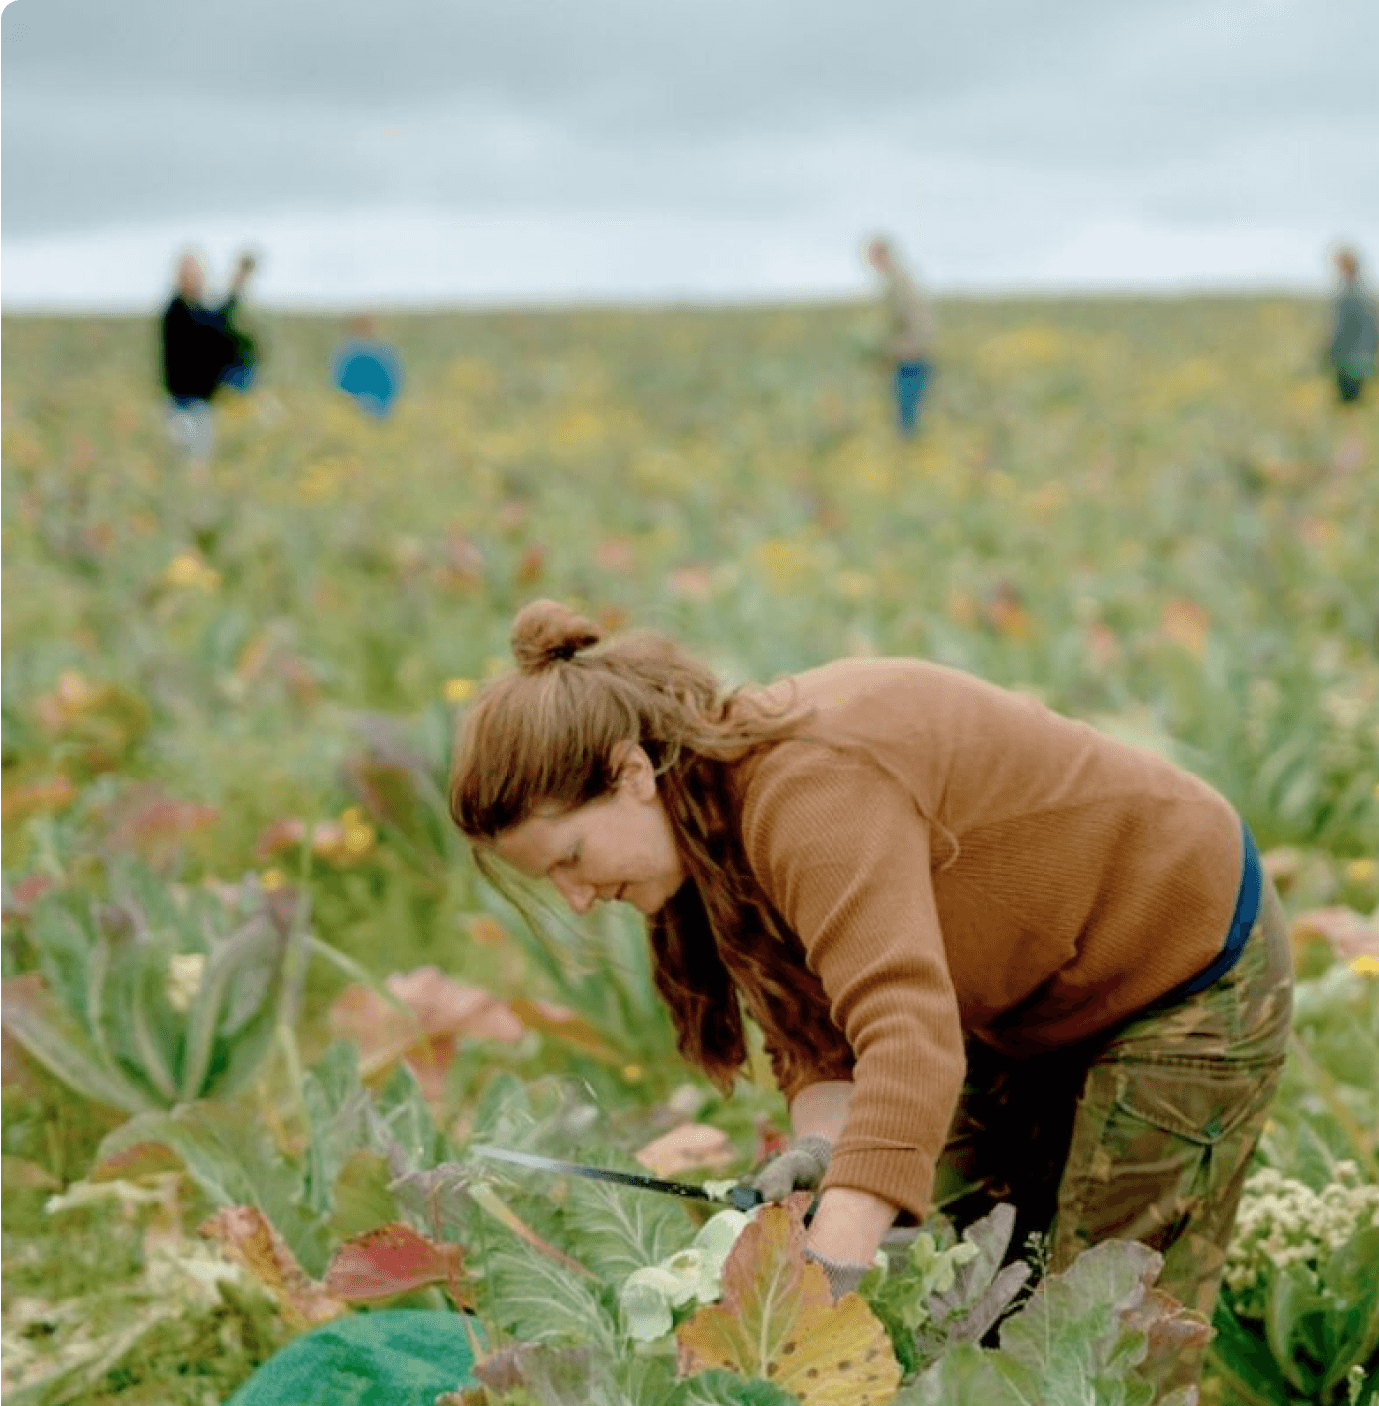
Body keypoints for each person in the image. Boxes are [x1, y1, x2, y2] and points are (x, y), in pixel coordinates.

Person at [449, 602, 1293, 1322]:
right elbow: (821, 1038)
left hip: (1177, 964)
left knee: (1101, 1330)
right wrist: (823, 1153)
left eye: (570, 858)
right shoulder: (705, 831)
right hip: (1023, 1001)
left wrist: (824, 1276)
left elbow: (905, 1033)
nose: (577, 897)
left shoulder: (807, 791)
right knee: (964, 1292)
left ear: (630, 773)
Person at [160, 250, 258, 462]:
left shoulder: (193, 311)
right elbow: (211, 325)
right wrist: (235, 288)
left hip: (200, 402)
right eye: (190, 277)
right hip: (182, 404)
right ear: (180, 279)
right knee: (190, 460)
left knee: (198, 460)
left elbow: (215, 322)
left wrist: (236, 288)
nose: (196, 282)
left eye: (197, 277)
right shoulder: (176, 313)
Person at [864, 235, 937, 439]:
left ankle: (912, 453)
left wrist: (910, 346)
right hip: (905, 355)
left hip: (912, 356)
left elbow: (917, 319)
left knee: (908, 416)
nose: (872, 263)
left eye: (873, 257)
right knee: (906, 411)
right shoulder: (898, 280)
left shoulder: (900, 282)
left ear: (883, 255)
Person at [1324, 245, 1379, 405]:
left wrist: (1328, 351)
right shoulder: (1364, 294)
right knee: (1358, 406)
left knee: (1348, 406)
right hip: (1363, 360)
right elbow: (1375, 330)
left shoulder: (1347, 295)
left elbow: (1340, 331)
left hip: (1347, 362)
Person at [332, 315, 403, 420]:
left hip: (357, 414)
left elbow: (339, 386)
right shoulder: (386, 353)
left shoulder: (348, 354)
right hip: (380, 415)